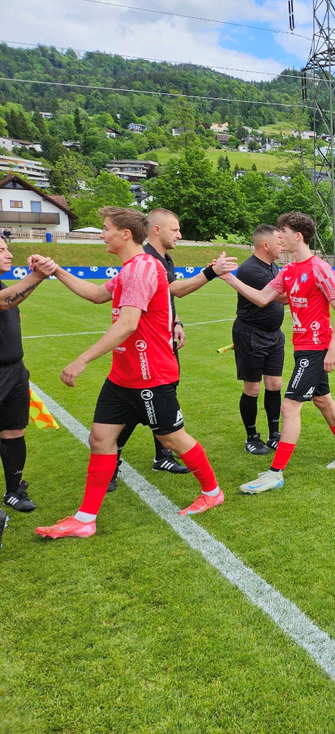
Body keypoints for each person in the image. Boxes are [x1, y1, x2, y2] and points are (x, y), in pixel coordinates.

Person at [34, 207, 224, 539]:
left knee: (171, 438)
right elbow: (96, 295)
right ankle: (85, 519)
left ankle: (212, 493)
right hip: (123, 377)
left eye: (105, 229)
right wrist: (57, 271)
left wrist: (82, 360)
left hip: (152, 376)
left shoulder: (142, 269)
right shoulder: (130, 269)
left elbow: (128, 324)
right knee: (100, 439)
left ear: (125, 234)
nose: (101, 234)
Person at [215, 212, 335, 493]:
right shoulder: (289, 271)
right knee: (323, 400)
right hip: (301, 345)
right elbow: (261, 298)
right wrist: (226, 277)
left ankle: (275, 473)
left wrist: (333, 348)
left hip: (316, 347)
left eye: (283, 231)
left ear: (298, 236)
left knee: (289, 406)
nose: (279, 236)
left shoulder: (320, 269)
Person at [108, 208, 228, 490]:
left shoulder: (164, 258)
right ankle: (112, 461)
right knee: (134, 407)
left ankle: (161, 455)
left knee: (160, 403)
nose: (180, 235)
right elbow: (175, 290)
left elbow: (162, 301)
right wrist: (211, 272)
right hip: (144, 350)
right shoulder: (148, 259)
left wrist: (176, 322)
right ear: (156, 230)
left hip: (161, 343)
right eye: (175, 229)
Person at [0, 238, 52, 517]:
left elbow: (10, 299)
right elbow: (4, 303)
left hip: (15, 371)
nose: (9, 254)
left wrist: (35, 279)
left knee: (13, 431)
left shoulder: (3, 286)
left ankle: (13, 490)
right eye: (1, 250)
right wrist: (37, 275)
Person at [231, 225, 286, 455]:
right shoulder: (250, 270)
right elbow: (275, 297)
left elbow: (281, 300)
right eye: (279, 242)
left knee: (274, 384)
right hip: (251, 335)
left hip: (273, 335)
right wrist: (306, 290)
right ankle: (251, 437)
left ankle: (274, 434)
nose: (282, 245)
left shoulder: (273, 267)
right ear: (266, 245)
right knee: (252, 388)